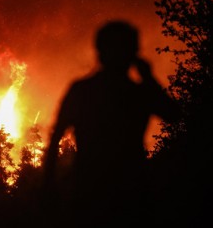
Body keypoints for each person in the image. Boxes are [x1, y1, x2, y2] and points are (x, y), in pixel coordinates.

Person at [41, 20, 181, 227]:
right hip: (131, 195)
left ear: (98, 51)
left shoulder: (82, 90)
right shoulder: (138, 93)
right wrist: (149, 78)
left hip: (92, 192)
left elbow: (55, 139)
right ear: (134, 53)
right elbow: (174, 115)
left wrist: (48, 184)